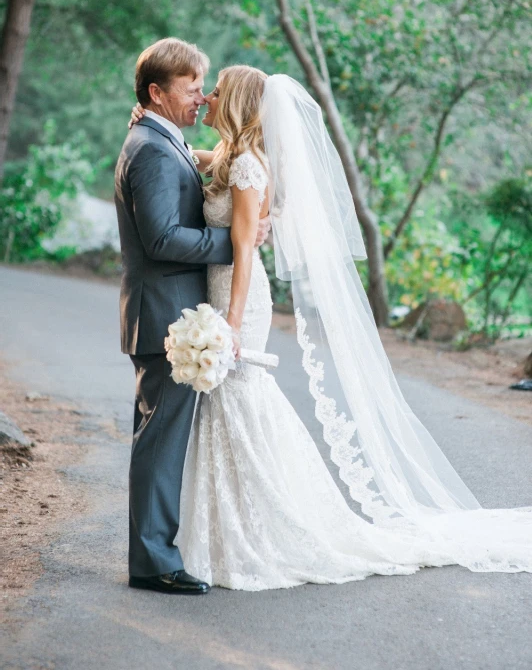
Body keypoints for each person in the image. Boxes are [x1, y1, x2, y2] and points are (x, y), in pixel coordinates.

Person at [128, 64, 532, 591]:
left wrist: (228, 325)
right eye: (202, 90)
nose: (206, 98)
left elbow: (246, 252)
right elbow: (193, 159)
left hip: (237, 302)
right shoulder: (230, 157)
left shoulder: (250, 166)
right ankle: (231, 535)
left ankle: (275, 528)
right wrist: (146, 118)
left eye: (216, 92)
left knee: (243, 407)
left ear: (237, 103)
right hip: (218, 293)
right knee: (226, 416)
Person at [114, 40, 270, 595]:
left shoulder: (162, 138)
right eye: (191, 88)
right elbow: (159, 237)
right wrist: (233, 241)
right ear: (157, 93)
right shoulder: (152, 148)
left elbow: (217, 167)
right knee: (160, 440)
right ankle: (154, 563)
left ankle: (160, 551)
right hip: (165, 317)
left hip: (173, 314)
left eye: (205, 87)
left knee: (163, 437)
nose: (201, 97)